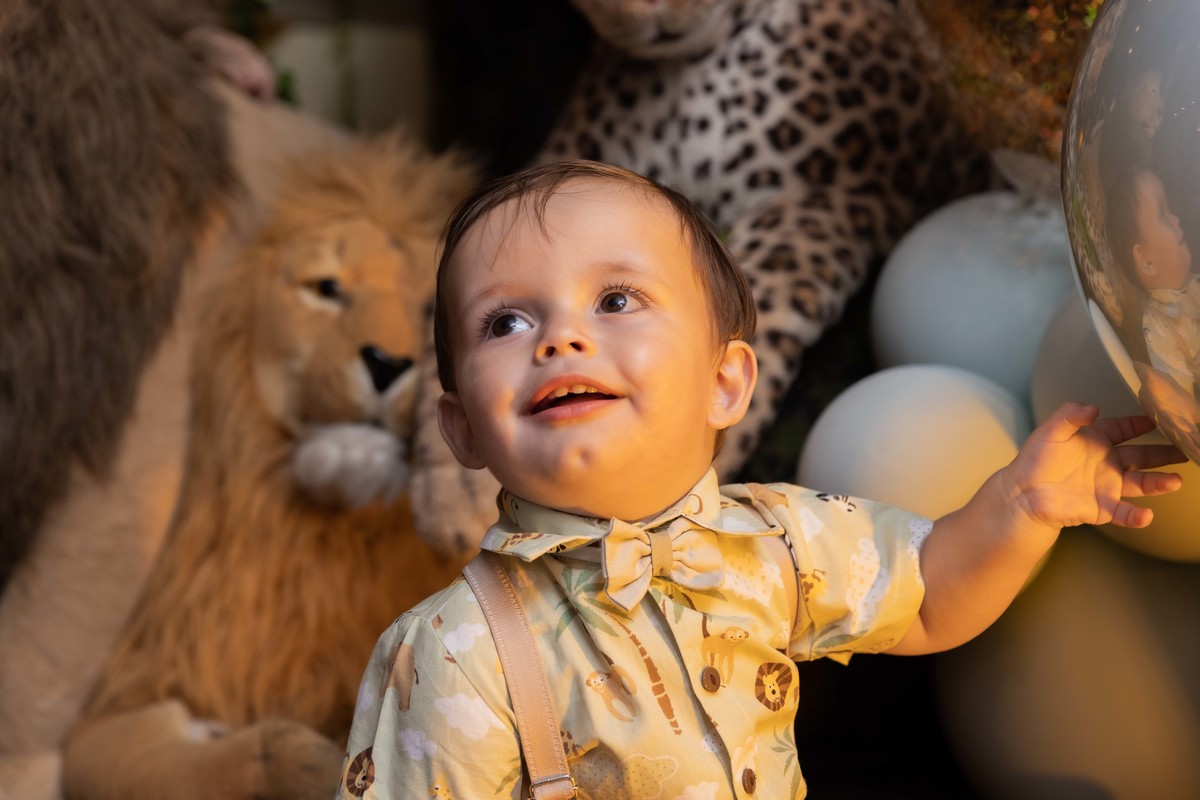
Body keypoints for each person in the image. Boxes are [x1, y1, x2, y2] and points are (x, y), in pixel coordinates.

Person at [336, 160, 1185, 800]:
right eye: (505, 321)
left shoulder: (777, 541)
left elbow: (927, 593)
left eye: (616, 300)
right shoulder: (456, 651)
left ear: (725, 384)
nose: (560, 338)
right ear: (461, 428)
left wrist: (1021, 505)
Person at [1107, 165, 1200, 397]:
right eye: (1162, 214)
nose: (1176, 219)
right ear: (1146, 260)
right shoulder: (1159, 329)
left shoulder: (1193, 284)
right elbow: (1182, 401)